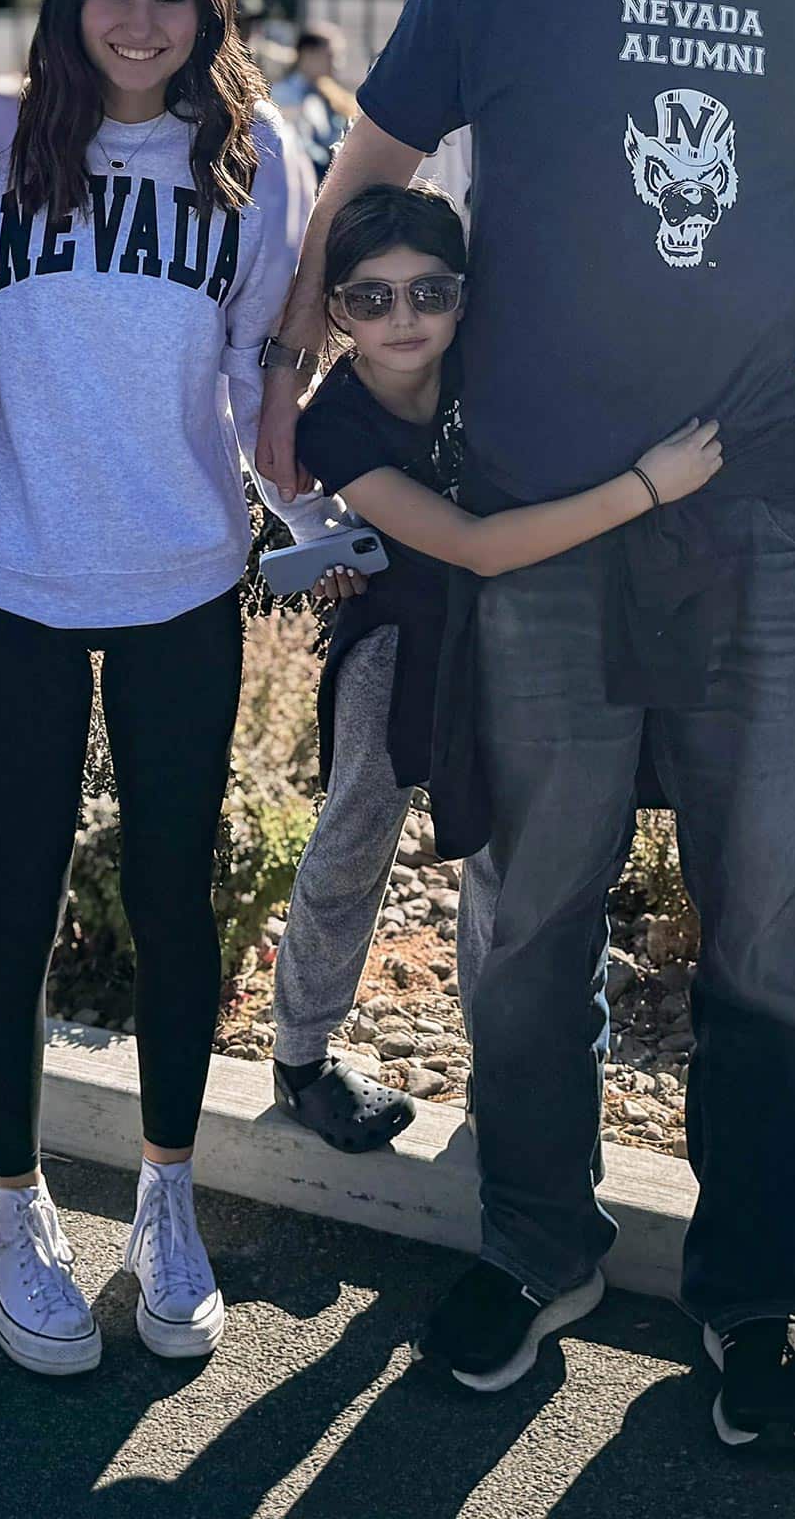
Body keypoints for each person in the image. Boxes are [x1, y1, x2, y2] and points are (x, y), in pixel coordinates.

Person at [257, 0, 795, 1454]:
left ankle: (753, 1290)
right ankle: (537, 1245)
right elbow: (373, 155)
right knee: (527, 915)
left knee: (763, 931)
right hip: (531, 522)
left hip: (757, 524)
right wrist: (290, 382)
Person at [0, 0, 310, 1376]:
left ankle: (167, 1199)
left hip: (182, 576)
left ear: (206, 9)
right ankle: (13, 1214)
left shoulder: (252, 155)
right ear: (69, 0)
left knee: (172, 902)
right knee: (12, 904)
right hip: (15, 573)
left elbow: (269, 342)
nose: (140, 24)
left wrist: (294, 413)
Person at [267, 183, 722, 1150]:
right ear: (336, 309)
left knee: (507, 853)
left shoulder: (497, 363)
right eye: (371, 298)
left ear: (465, 299)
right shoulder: (335, 422)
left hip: (514, 629)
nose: (403, 319)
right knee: (356, 829)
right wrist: (647, 488)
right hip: (403, 628)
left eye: (429, 294)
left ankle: (503, 1072)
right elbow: (472, 544)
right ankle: (302, 1054)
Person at [273, 25, 358, 182]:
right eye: (330, 56)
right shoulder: (283, 96)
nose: (336, 64)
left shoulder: (323, 97)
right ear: (308, 54)